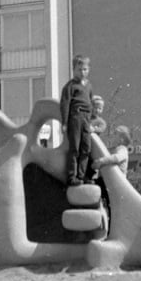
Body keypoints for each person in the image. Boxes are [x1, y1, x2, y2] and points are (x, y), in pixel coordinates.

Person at [60, 54, 94, 186]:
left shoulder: (89, 86)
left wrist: (91, 121)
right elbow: (65, 104)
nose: (82, 72)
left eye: (85, 69)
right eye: (79, 69)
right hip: (75, 117)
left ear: (88, 70)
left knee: (86, 147)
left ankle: (82, 175)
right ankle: (72, 176)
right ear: (73, 70)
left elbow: (90, 102)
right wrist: (64, 122)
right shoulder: (70, 86)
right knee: (75, 147)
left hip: (86, 118)